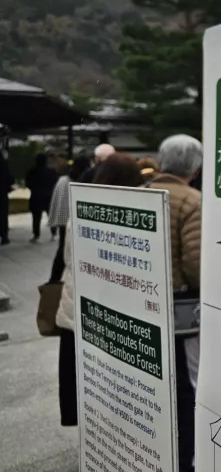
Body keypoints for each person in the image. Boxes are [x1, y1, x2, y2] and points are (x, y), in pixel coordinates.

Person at [56, 153, 144, 429]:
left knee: (84, 377)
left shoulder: (84, 208)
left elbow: (68, 258)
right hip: (111, 310)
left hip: (78, 306)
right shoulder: (133, 214)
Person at [146, 134, 202, 471]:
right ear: (195, 169)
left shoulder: (144, 195)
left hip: (144, 299)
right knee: (186, 384)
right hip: (180, 309)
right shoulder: (192, 201)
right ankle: (185, 458)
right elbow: (196, 264)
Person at [47, 155, 91, 283]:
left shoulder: (63, 179)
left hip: (64, 219)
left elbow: (57, 201)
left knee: (62, 248)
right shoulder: (81, 181)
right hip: (75, 220)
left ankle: (53, 279)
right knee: (66, 249)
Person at [25, 153, 59, 243]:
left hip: (36, 196)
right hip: (49, 197)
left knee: (36, 217)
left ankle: (36, 235)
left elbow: (28, 184)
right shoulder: (51, 171)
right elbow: (55, 183)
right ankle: (54, 233)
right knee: (51, 216)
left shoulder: (32, 172)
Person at [0, 148, 12, 246]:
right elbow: (10, 180)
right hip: (2, 194)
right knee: (3, 215)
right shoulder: (4, 166)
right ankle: (4, 236)